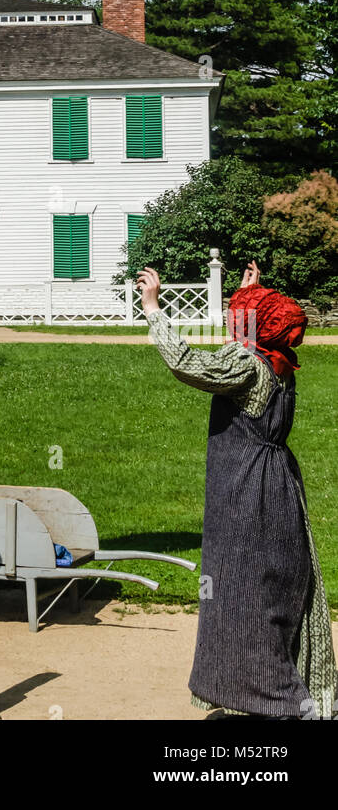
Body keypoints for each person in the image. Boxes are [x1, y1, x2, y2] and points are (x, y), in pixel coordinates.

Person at [138, 260, 337, 719]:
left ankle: (278, 699)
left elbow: (189, 364)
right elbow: (246, 338)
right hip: (280, 486)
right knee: (280, 588)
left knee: (242, 594)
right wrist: (251, 296)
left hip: (245, 491)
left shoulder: (245, 365)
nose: (233, 319)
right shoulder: (278, 363)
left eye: (241, 313)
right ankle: (297, 690)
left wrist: (153, 309)